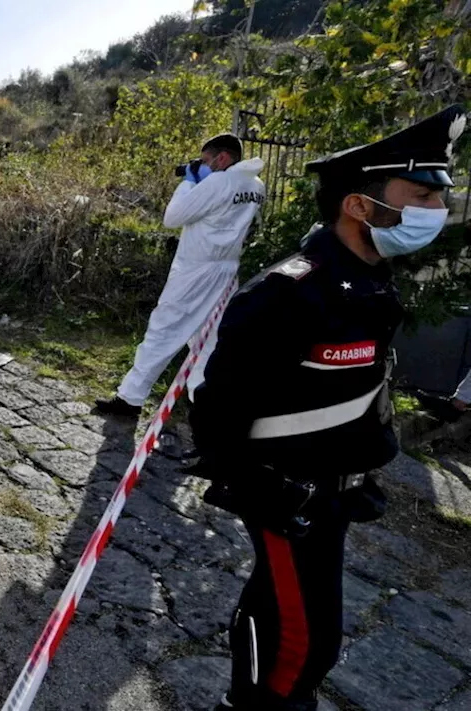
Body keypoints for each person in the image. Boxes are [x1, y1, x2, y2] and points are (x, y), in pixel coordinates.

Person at [187, 104, 465, 711]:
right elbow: (218, 402)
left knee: (301, 629)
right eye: (420, 194)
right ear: (359, 205)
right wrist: (253, 484)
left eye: (438, 197)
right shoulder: (294, 291)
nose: (434, 211)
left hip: (333, 491)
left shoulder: (370, 279)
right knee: (299, 646)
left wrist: (359, 468)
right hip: (288, 495)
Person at [95, 133, 266, 417]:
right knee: (210, 339)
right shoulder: (255, 185)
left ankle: (130, 398)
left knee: (164, 329)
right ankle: (201, 399)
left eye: (206, 160)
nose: (203, 165)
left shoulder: (219, 181)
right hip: (227, 269)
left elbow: (172, 217)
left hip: (196, 269)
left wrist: (189, 181)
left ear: (222, 158)